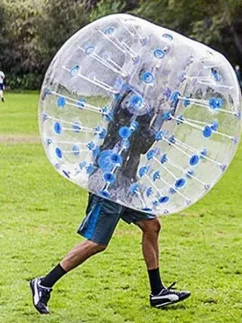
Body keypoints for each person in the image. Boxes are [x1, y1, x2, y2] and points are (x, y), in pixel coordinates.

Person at [30, 90, 191, 315]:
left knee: (152, 226)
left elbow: (141, 144)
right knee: (97, 242)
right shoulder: (131, 98)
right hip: (109, 178)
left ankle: (157, 292)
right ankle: (44, 284)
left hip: (126, 180)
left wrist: (161, 110)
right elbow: (140, 139)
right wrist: (162, 114)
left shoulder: (146, 96)